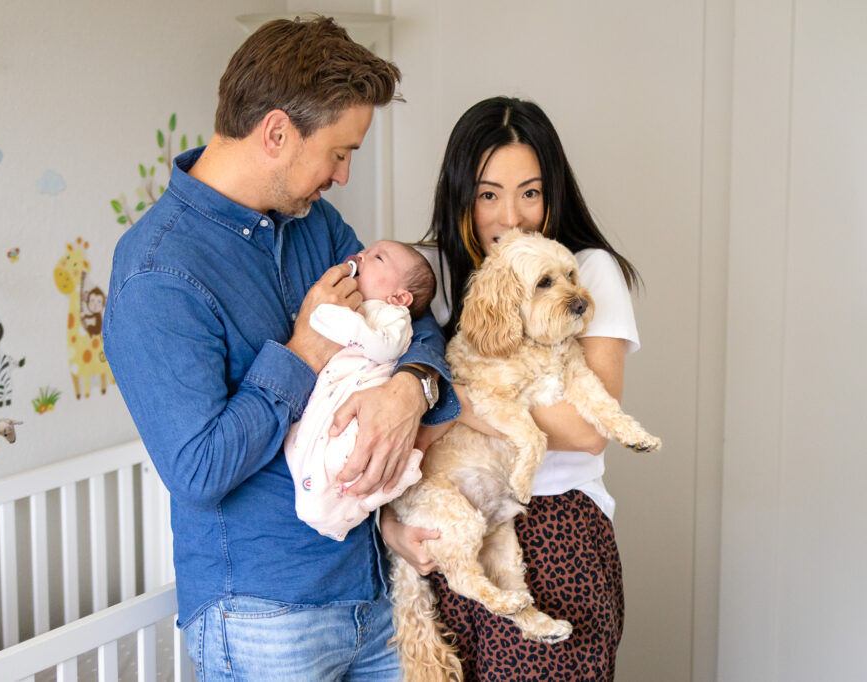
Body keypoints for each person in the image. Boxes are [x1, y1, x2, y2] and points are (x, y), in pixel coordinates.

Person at [102, 16, 456, 681]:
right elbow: (200, 470)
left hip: (372, 588)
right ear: (275, 132)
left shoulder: (314, 225)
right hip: (264, 616)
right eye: (339, 151)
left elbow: (413, 319)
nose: (345, 175)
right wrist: (303, 351)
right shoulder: (158, 274)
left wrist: (410, 388)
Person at [382, 96, 643, 681]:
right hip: (447, 531)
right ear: (461, 197)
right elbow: (390, 417)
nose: (513, 217)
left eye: (530, 192)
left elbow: (587, 431)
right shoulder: (427, 277)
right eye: (488, 194)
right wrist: (394, 530)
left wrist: (462, 401)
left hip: (554, 529)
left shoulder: (587, 271)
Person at [286, 240, 437, 541]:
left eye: (377, 257)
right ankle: (347, 503)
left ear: (399, 296)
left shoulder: (393, 316)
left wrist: (341, 321)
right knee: (297, 444)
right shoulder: (356, 306)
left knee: (347, 455)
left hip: (361, 400)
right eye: (366, 251)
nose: (362, 256)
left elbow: (385, 346)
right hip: (332, 395)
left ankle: (366, 496)